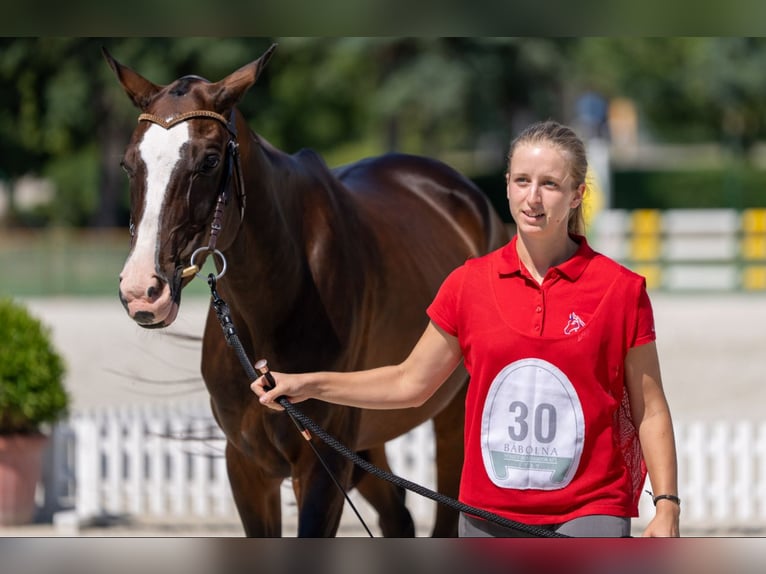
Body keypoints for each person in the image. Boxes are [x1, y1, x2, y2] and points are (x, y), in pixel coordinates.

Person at [251, 120, 680, 538]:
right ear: (508, 185)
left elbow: (650, 409)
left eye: (549, 184)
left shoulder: (622, 290)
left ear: (575, 196)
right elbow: (409, 382)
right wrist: (308, 384)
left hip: (589, 512)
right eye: (522, 181)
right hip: (486, 516)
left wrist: (666, 507)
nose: (533, 198)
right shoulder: (468, 283)